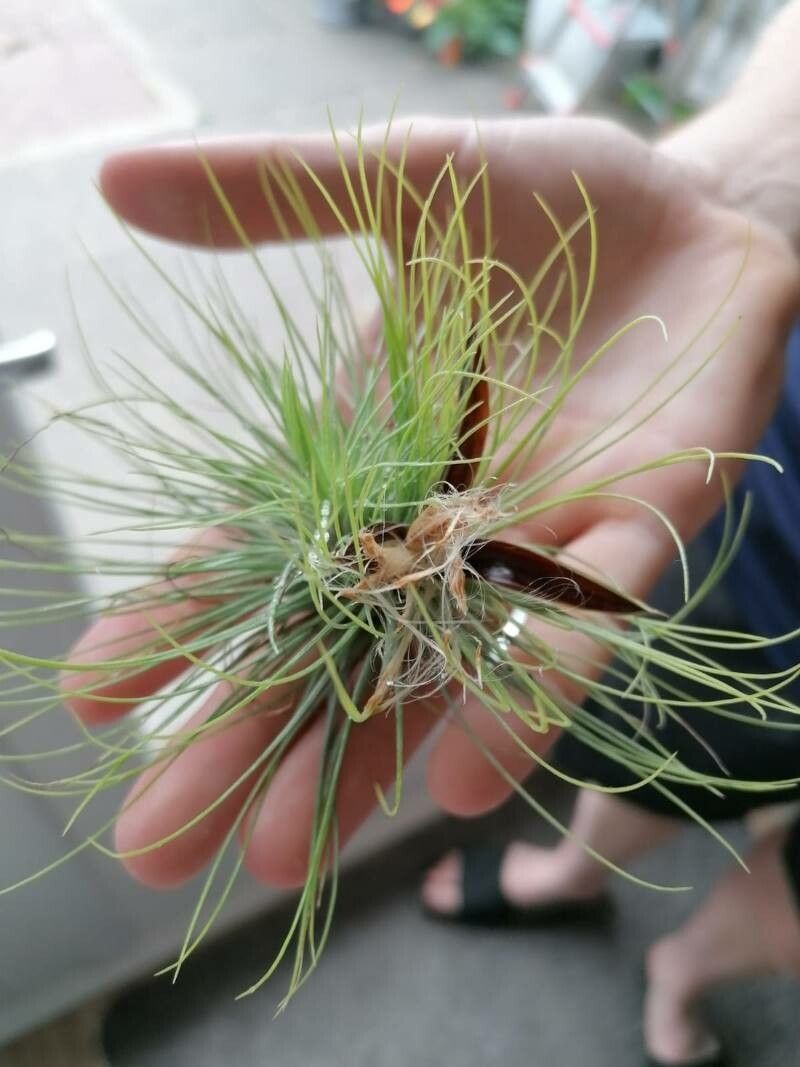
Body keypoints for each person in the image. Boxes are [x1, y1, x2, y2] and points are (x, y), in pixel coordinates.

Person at [61, 3, 800, 1065]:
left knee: (668, 729)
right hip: (724, 467)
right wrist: (742, 190)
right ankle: (573, 866)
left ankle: (670, 950)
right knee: (641, 729)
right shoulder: (427, 532)